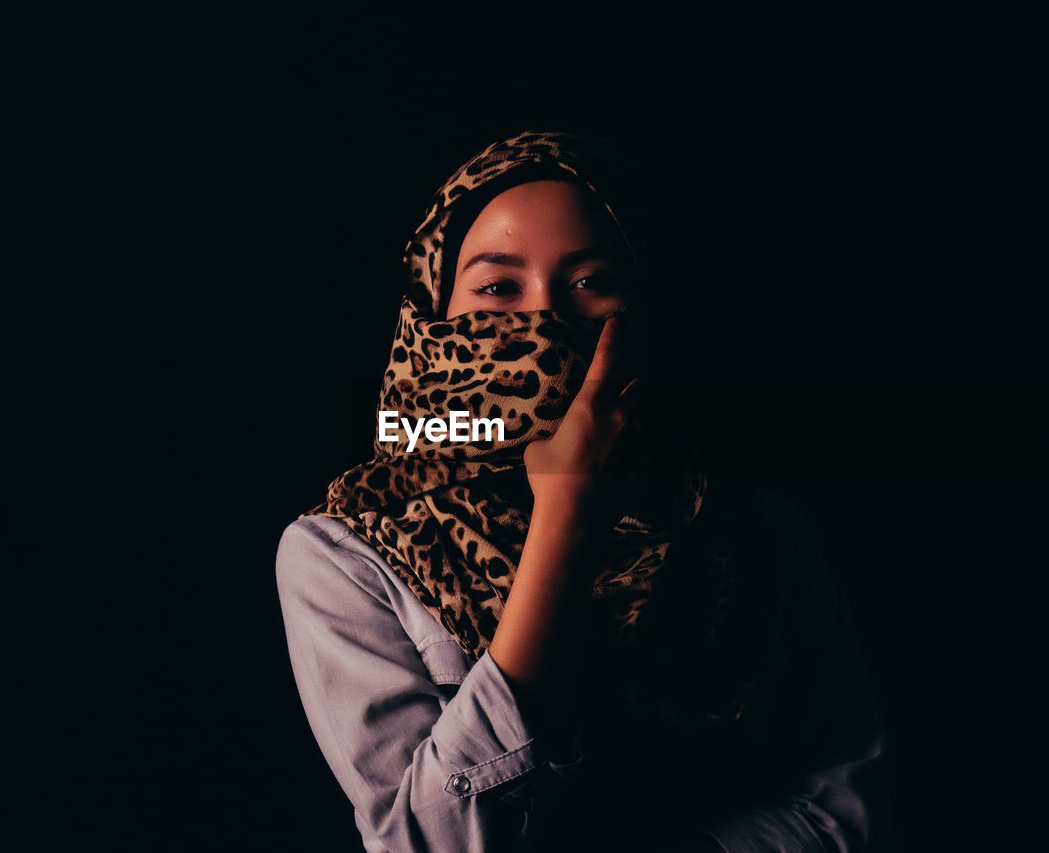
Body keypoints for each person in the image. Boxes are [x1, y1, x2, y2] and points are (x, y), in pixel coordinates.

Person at [276, 131, 892, 852]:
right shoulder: (349, 549)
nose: (543, 320)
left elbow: (852, 814)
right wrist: (566, 516)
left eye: (589, 281)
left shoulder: (760, 531)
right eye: (499, 287)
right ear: (434, 320)